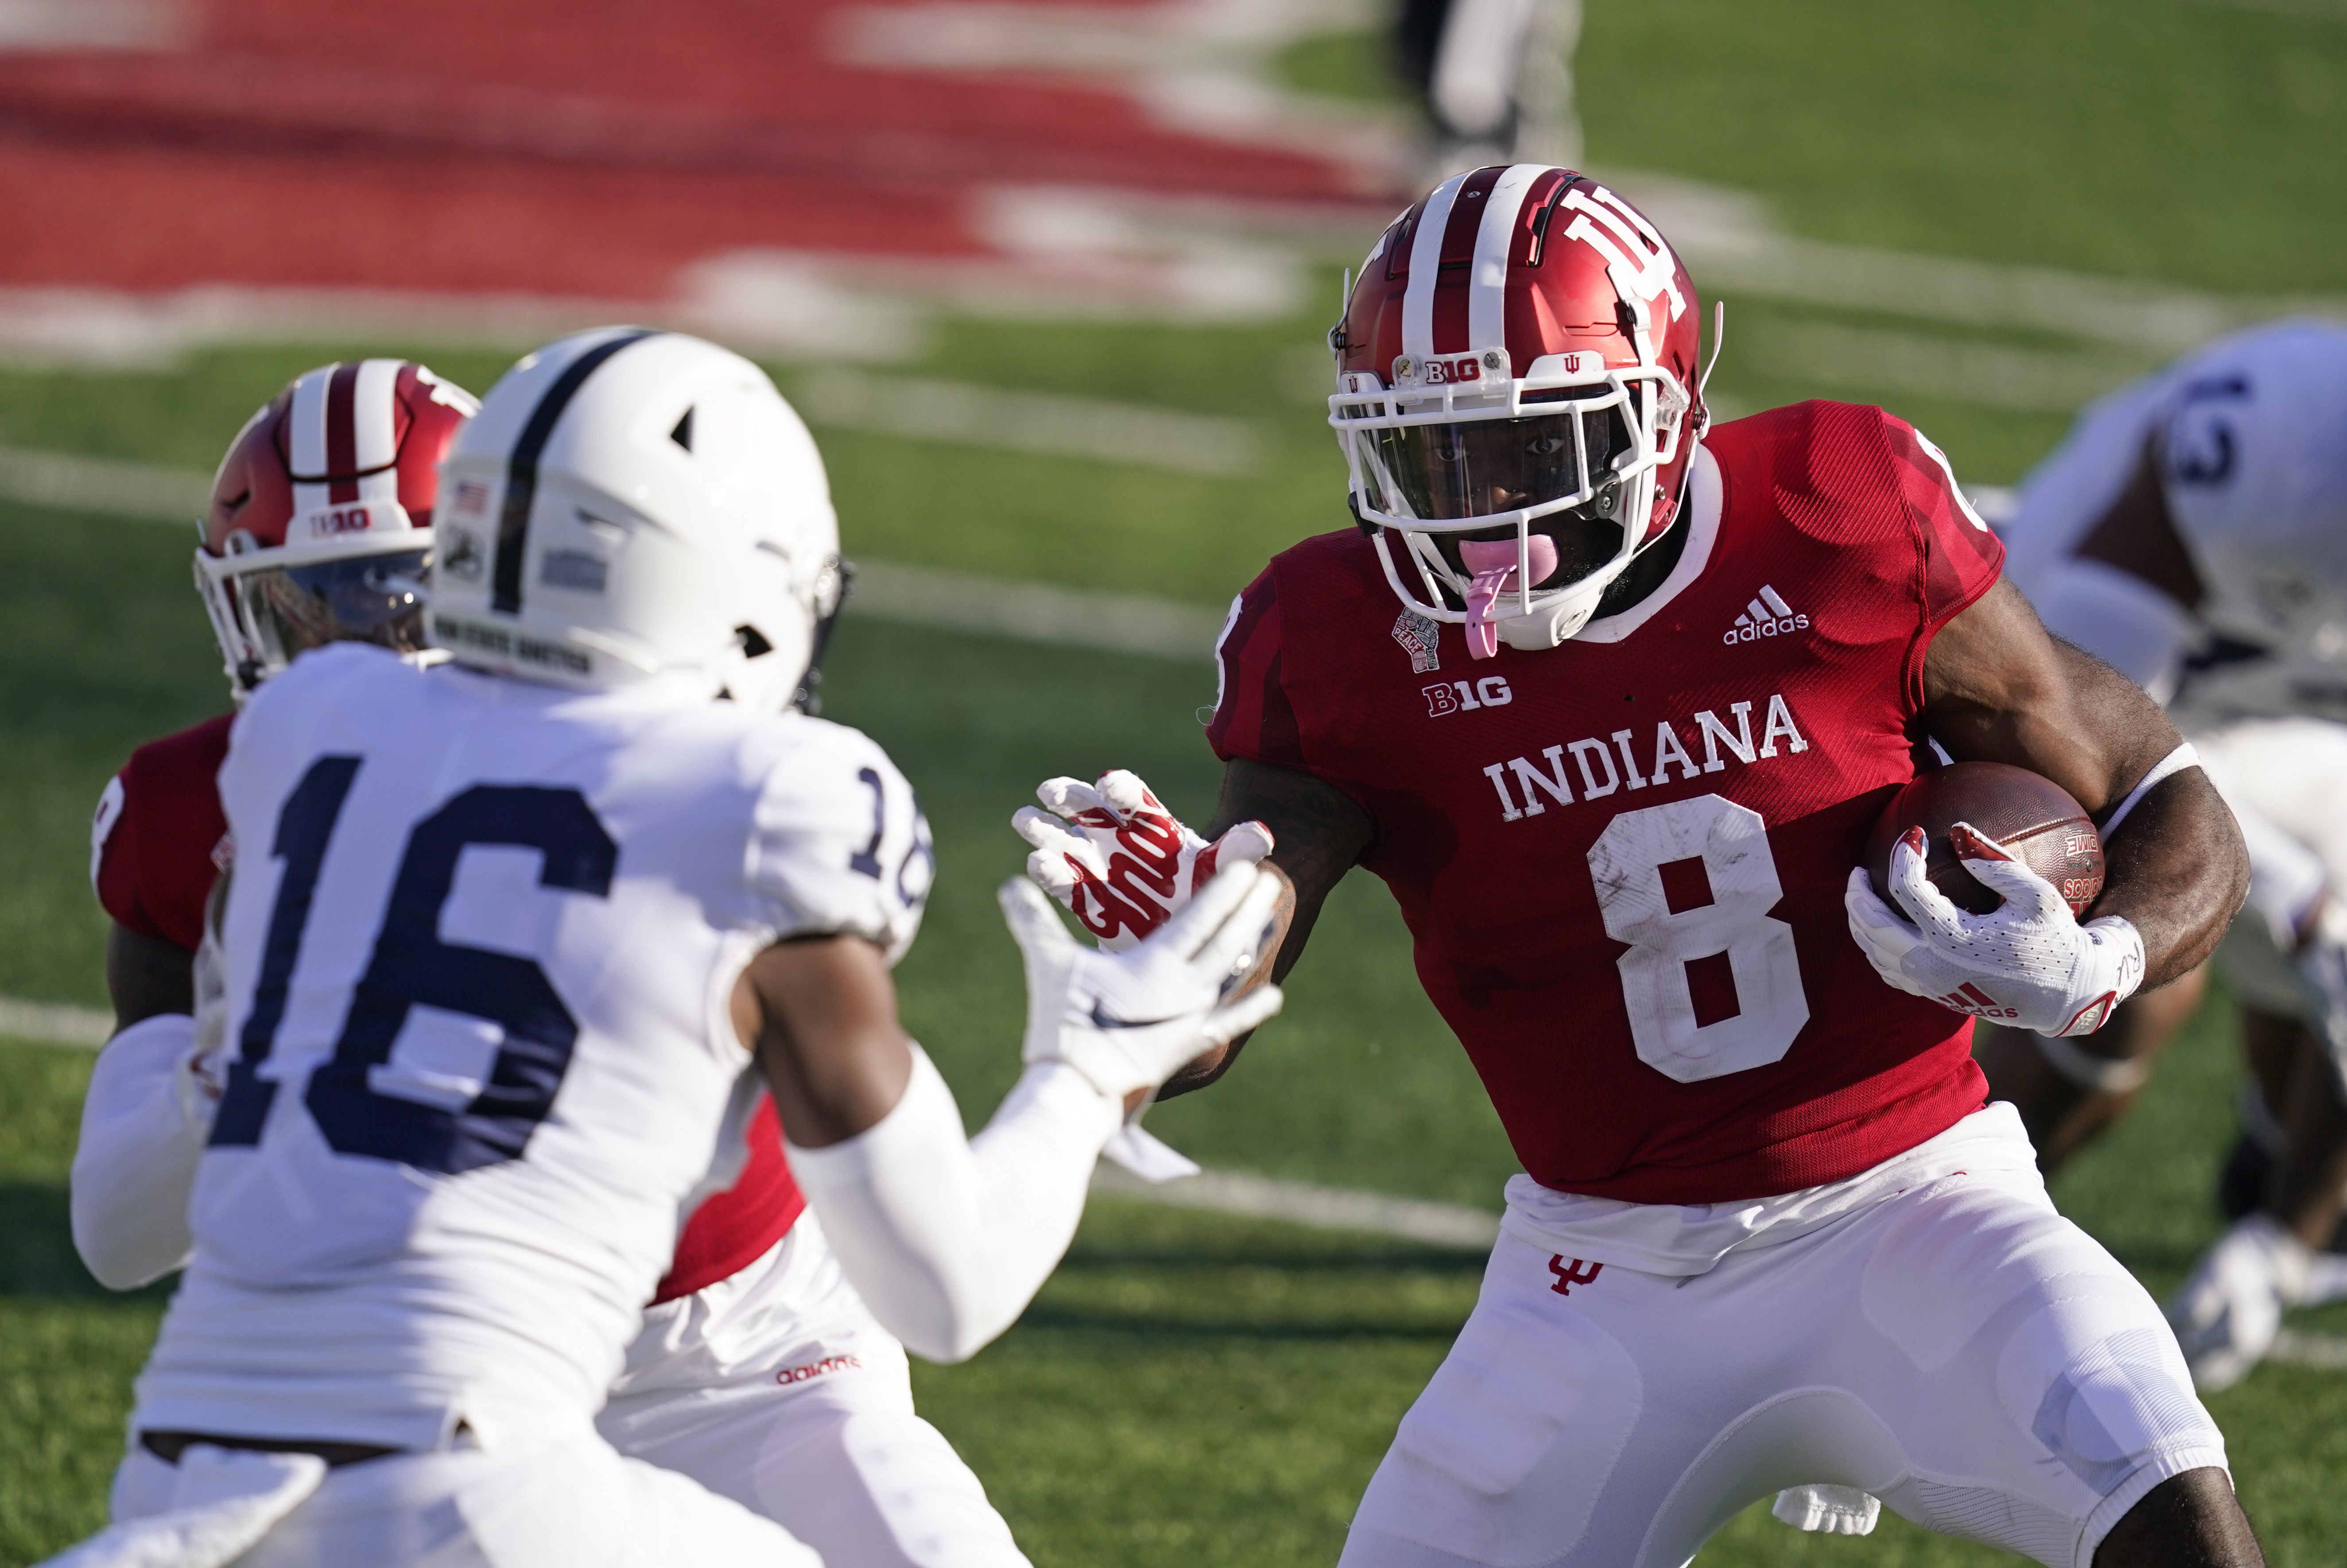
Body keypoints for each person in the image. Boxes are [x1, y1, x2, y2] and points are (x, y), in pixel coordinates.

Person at [1014, 166, 2261, 1567]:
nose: (1478, 513)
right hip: (1599, 1279)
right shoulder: (1335, 637)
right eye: (1432, 455)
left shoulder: (1838, 514)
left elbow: (2167, 796)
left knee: (2173, 1505)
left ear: (1659, 407)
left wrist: (2097, 960)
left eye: (1527, 450)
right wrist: (1165, 957)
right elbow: (1217, 1005)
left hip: (1924, 1204)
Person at [49, 329, 1281, 1568]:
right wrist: (1088, 1067)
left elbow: (120, 1216)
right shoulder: (757, 804)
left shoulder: (309, 735)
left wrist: (247, 1049)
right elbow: (949, 1284)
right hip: (479, 1452)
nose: (362, 630)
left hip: (240, 1449)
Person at [1988, 319, 2347, 1391]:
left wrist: (2283, 1242)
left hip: (2300, 728)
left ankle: (2277, 1147)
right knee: (2119, 950)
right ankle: (1949, 1210)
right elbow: (2082, 743)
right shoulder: (2269, 441)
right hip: (2097, 679)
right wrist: (2286, 899)